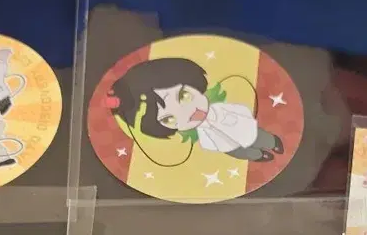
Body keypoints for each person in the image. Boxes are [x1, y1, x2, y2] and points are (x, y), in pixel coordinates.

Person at [107, 57, 283, 163]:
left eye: (184, 96)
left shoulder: (221, 109)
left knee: (254, 135)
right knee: (235, 150)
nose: (186, 113)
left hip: (236, 124)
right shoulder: (202, 135)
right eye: (168, 119)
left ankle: (272, 142)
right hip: (220, 141)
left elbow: (241, 112)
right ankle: (257, 155)